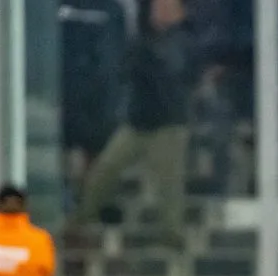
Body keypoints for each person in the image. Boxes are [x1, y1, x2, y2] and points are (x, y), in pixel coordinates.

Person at [67, 0, 196, 247]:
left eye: (166, 6)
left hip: (168, 127)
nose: (159, 11)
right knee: (103, 174)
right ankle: (77, 224)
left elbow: (173, 71)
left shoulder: (182, 40)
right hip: (136, 122)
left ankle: (175, 249)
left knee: (169, 194)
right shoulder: (141, 36)